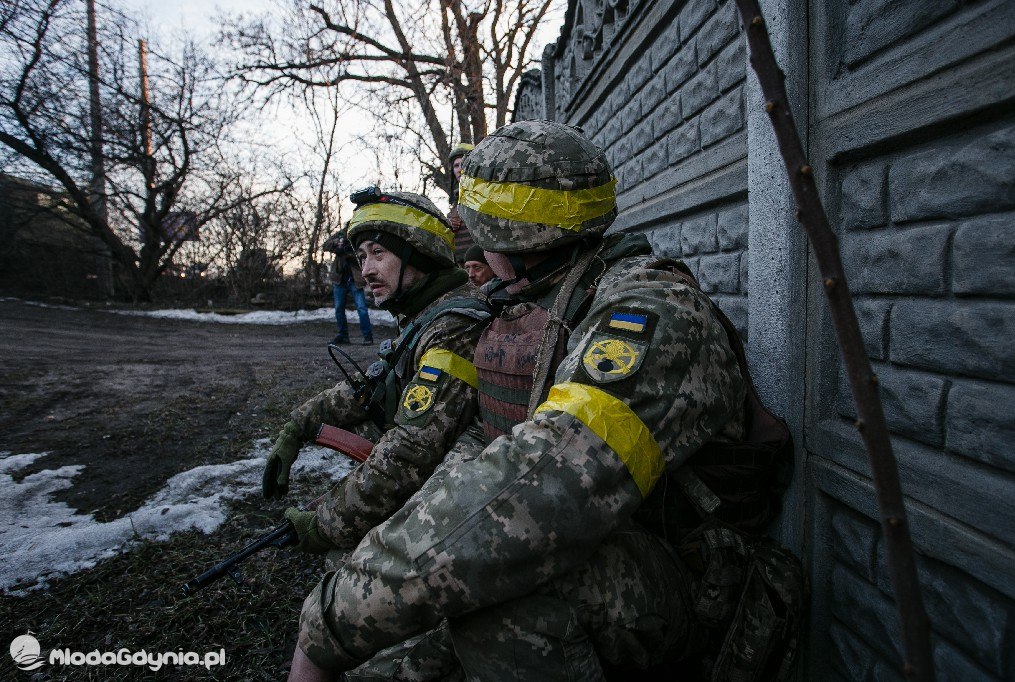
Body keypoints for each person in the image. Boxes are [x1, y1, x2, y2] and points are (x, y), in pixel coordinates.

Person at [288, 121, 788, 681]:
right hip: (618, 543)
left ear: (510, 239)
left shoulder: (653, 315)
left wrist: (336, 617)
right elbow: (481, 456)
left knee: (503, 585)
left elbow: (544, 489)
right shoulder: (548, 302)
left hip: (695, 577)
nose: (474, 253)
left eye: (479, 236)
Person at [263, 188, 490, 567]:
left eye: (378, 253)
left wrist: (323, 524)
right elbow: (373, 385)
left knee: (342, 562)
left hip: (470, 501)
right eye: (362, 256)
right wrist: (298, 426)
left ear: (419, 252)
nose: (366, 270)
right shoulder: (425, 311)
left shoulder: (454, 326)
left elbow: (408, 453)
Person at [323, 230, 374, 345]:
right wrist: (337, 244)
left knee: (361, 309)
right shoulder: (340, 235)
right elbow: (325, 245)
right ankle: (343, 336)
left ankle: (367, 336)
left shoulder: (358, 237)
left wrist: (351, 254)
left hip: (355, 279)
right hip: (339, 279)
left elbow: (363, 255)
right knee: (339, 309)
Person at [446, 142, 476, 263]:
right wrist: (447, 227)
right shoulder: (454, 205)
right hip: (464, 268)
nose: (459, 169)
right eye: (456, 165)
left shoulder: (489, 192)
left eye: (463, 164)